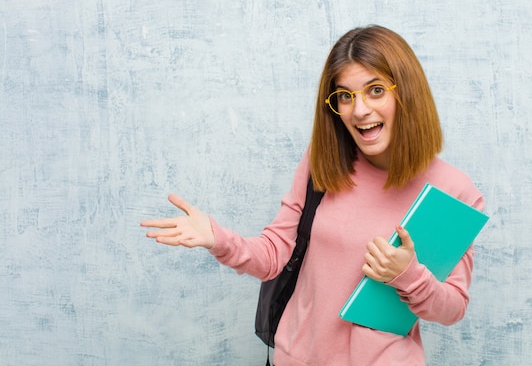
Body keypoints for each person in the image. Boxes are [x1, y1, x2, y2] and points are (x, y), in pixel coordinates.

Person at [141, 25, 485, 366]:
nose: (360, 110)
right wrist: (218, 239)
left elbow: (452, 307)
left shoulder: (453, 191)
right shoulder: (324, 162)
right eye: (345, 96)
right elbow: (274, 254)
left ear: (406, 92)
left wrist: (407, 273)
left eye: (376, 90)